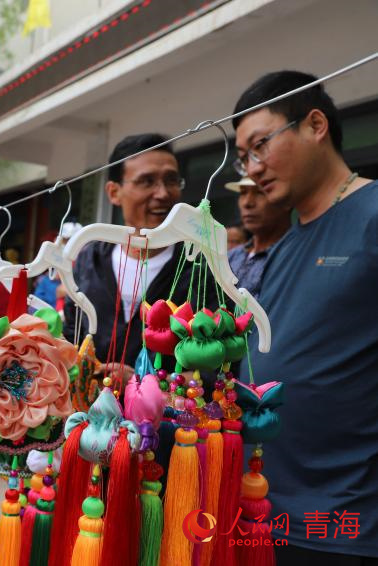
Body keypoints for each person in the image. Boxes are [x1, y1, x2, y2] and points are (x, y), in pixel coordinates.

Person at [233, 71, 378, 565]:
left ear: (315, 124)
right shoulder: (287, 242)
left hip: (343, 519)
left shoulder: (374, 212)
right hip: (263, 508)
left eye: (260, 146)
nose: (253, 169)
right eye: (243, 157)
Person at [63, 133, 218, 381]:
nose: (163, 193)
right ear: (114, 192)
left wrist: (147, 384)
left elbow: (216, 365)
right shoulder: (89, 259)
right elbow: (71, 333)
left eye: (171, 180)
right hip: (87, 413)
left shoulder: (200, 266)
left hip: (166, 417)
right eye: (147, 182)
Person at [225, 176, 291, 297]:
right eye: (243, 192)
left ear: (287, 202)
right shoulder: (230, 257)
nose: (247, 203)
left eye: (260, 192)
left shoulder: (295, 256)